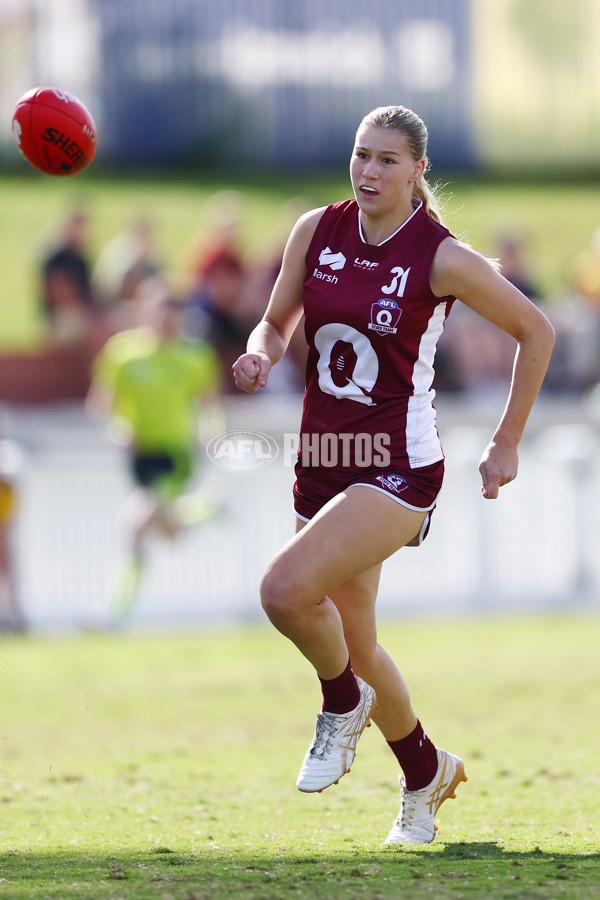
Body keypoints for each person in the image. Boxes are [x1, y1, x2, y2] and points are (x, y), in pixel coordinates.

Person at [232, 105, 555, 845]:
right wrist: (262, 354)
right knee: (358, 638)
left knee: (284, 593)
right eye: (360, 155)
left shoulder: (440, 256)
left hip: (398, 466)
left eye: (386, 159)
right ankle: (424, 772)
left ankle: (339, 703)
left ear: (417, 171)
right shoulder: (317, 230)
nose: (368, 171)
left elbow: (537, 330)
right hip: (323, 460)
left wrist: (507, 444)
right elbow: (276, 322)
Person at [87, 277, 223, 628]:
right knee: (170, 530)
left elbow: (211, 406)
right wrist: (118, 427)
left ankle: (114, 614)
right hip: (139, 458)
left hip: (176, 456)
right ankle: (204, 509)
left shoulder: (194, 355)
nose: (165, 320)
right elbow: (101, 404)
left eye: (171, 312)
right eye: (158, 311)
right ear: (142, 312)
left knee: (133, 524)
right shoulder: (123, 354)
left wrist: (212, 430)